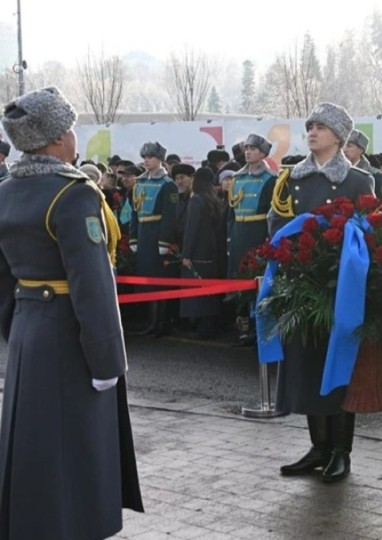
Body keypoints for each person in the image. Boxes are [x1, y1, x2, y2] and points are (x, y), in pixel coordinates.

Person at [0, 86, 142, 539]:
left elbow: (4, 276)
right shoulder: (74, 194)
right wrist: (107, 361)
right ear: (60, 137)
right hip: (71, 335)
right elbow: (92, 286)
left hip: (28, 329)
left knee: (33, 442)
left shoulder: (6, 190)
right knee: (79, 446)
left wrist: (16, 326)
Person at [268, 103, 375, 481]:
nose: (312, 132)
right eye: (310, 126)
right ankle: (318, 446)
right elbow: (277, 224)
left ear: (338, 135)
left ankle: (341, 451)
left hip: (337, 287)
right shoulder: (292, 178)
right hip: (301, 283)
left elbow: (366, 237)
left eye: (321, 127)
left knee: (339, 366)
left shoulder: (359, 181)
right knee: (309, 366)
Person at [228, 134, 278, 346]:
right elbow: (231, 213)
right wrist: (230, 237)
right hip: (240, 232)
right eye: (246, 148)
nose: (248, 152)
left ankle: (258, 325)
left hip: (258, 232)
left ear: (264, 153)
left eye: (253, 149)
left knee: (256, 278)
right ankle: (242, 324)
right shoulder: (237, 179)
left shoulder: (271, 179)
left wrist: (269, 240)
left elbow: (272, 213)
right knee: (238, 278)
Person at [130, 141, 179, 337]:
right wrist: (134, 237)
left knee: (158, 280)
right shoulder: (140, 182)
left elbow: (170, 216)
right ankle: (151, 320)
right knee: (147, 280)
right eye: (145, 157)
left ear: (160, 159)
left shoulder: (167, 185)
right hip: (143, 233)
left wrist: (164, 242)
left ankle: (161, 322)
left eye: (150, 157)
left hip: (157, 233)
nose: (146, 161)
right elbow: (135, 211)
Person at [180, 167, 225, 339]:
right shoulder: (214, 199)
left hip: (198, 250)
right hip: (211, 250)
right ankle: (210, 327)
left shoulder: (196, 201)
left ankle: (202, 329)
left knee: (198, 290)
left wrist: (186, 254)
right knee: (209, 291)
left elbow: (192, 229)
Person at [344, 129, 382, 198]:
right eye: (343, 145)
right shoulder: (337, 172)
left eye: (349, 146)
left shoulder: (376, 175)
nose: (344, 150)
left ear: (361, 150)